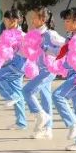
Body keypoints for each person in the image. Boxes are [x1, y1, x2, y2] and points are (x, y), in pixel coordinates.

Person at [23, 8, 66, 140]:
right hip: (40, 69)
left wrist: (50, 50)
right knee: (45, 97)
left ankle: (40, 114)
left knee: (27, 91)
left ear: (43, 20)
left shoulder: (50, 34)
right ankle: (47, 129)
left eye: (35, 18)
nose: (32, 20)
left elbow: (66, 45)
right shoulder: (33, 34)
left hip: (49, 70)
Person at [51, 8, 76, 151]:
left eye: (68, 21)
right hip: (73, 73)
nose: (65, 24)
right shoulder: (71, 37)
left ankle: (73, 123)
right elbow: (63, 51)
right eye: (65, 21)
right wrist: (46, 48)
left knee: (57, 96)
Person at [0, 8, 29, 131]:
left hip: (18, 64)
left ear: (14, 20)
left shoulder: (22, 35)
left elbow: (27, 51)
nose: (5, 22)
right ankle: (21, 122)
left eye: (6, 20)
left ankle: (10, 96)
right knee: (17, 91)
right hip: (12, 64)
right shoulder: (6, 33)